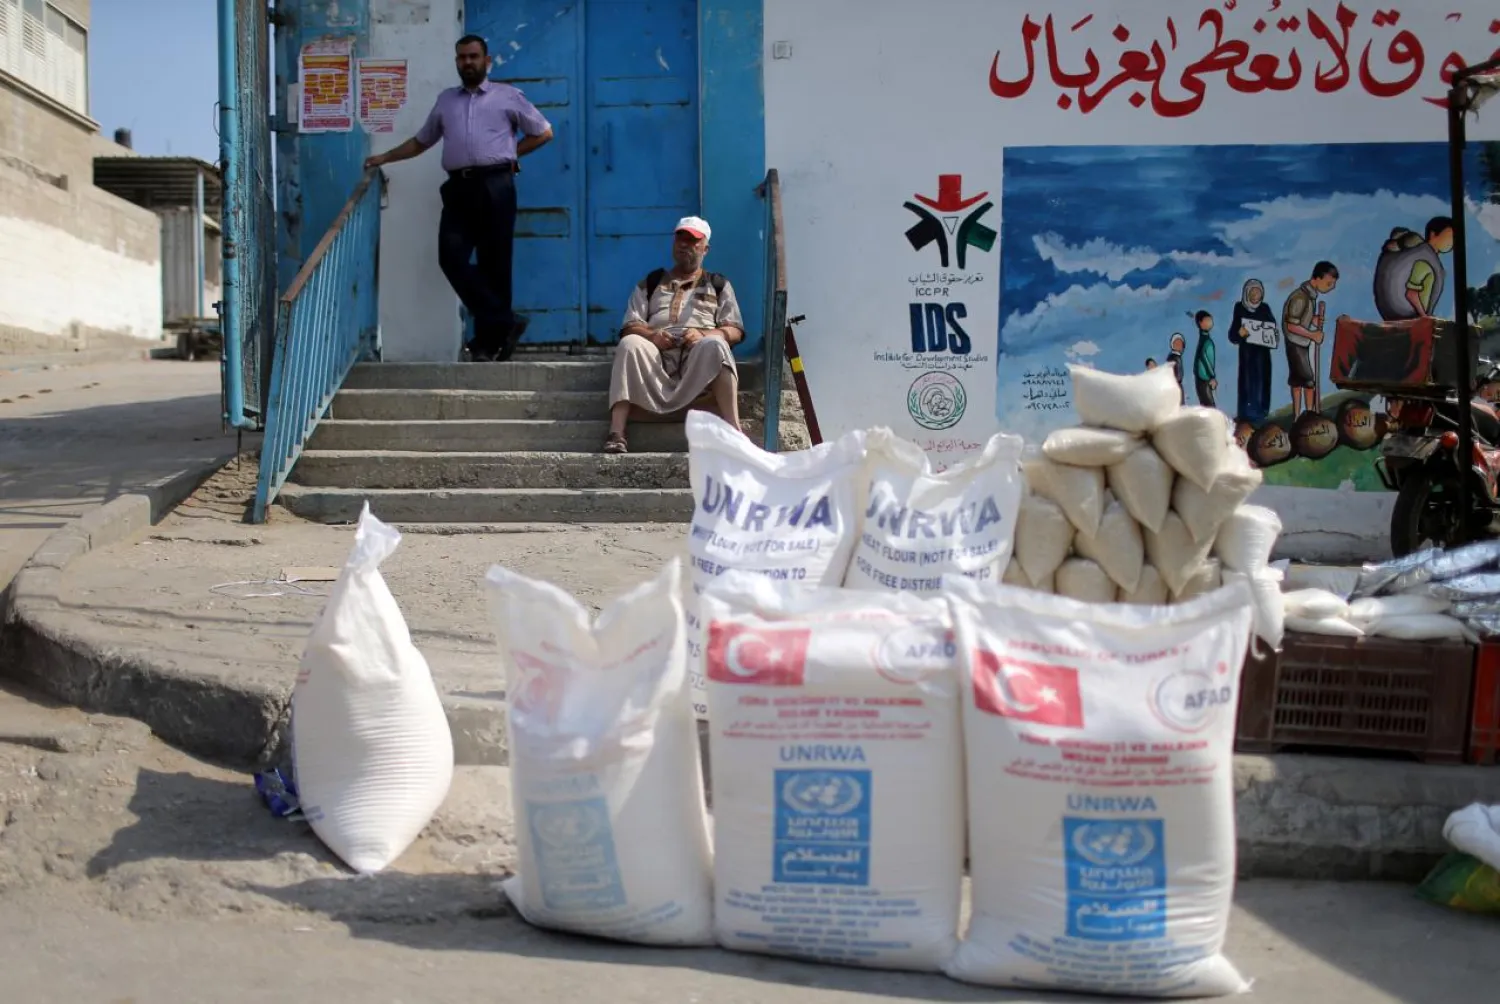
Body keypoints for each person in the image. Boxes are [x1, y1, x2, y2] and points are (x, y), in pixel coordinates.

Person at [364, 34, 554, 362]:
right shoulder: (446, 101)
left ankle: (488, 344)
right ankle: (505, 323)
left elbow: (543, 131)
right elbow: (421, 142)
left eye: (474, 57)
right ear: (457, 62)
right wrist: (384, 158)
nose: (468, 62)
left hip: (496, 185)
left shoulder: (508, 96)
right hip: (459, 188)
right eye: (462, 58)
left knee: (495, 266)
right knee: (450, 256)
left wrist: (511, 154)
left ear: (487, 60)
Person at [604, 217, 745, 454]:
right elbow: (630, 325)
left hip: (697, 360)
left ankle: (735, 432)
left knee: (716, 344)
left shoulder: (718, 284)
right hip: (656, 360)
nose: (684, 244)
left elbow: (735, 329)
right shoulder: (650, 282)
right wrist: (652, 336)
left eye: (693, 240)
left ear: (705, 248)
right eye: (681, 238)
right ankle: (617, 432)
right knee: (629, 344)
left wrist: (704, 334)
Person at [1283, 261, 1339, 417]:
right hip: (1295, 343)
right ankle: (1306, 414)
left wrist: (1312, 319)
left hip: (1301, 342)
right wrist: (1312, 335)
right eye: (1329, 283)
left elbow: (1301, 319)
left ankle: (1303, 414)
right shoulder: (1300, 297)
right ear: (1317, 279)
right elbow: (1291, 326)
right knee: (1307, 380)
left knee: (1298, 380)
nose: (1331, 287)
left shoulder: (1309, 296)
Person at [1374, 216, 1455, 321]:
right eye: (1450, 237)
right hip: (1408, 315)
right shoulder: (1425, 259)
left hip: (1390, 314)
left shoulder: (1417, 252)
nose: (1452, 242)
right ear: (1433, 234)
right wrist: (1424, 317)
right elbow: (1411, 294)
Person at [1228, 278, 1277, 425]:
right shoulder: (1240, 308)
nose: (1256, 296)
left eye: (1258, 293)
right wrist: (1239, 333)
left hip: (1262, 356)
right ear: (1247, 293)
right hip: (1248, 356)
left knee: (1263, 384)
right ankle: (1247, 417)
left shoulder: (1265, 308)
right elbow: (1232, 335)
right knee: (1248, 385)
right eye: (1253, 292)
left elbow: (1272, 329)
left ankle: (1262, 414)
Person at [1192, 310, 1217, 408]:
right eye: (1207, 320)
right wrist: (1212, 376)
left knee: (1207, 403)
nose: (1210, 322)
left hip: (1202, 376)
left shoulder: (1205, 338)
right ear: (1200, 323)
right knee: (1209, 404)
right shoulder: (1205, 340)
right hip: (1204, 376)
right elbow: (1204, 358)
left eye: (1210, 320)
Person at [1164, 333, 1186, 404]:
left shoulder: (1177, 357)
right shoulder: (1173, 357)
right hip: (1174, 384)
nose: (1179, 345)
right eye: (1176, 343)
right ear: (1172, 345)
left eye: (1180, 343)